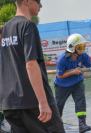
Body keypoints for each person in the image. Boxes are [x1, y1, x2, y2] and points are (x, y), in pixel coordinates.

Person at [0, 0, 65, 133]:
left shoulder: (5, 29)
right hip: (32, 102)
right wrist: (43, 102)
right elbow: (31, 64)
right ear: (27, 2)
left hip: (10, 104)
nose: (40, 5)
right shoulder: (28, 26)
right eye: (38, 1)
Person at [54, 33, 91, 133]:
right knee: (59, 105)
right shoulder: (62, 59)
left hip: (77, 83)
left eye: (83, 47)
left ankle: (82, 124)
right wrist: (73, 72)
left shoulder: (83, 55)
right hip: (62, 85)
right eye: (80, 47)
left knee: (81, 102)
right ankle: (56, 125)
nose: (82, 49)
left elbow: (90, 65)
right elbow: (60, 75)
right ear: (72, 48)